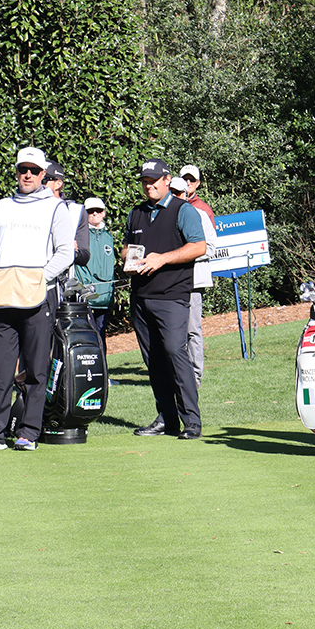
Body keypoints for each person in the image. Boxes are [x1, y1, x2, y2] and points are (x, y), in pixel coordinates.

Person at [0, 147, 76, 452]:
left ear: (43, 174)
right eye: (22, 169)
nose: (27, 175)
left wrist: (40, 278)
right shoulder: (3, 206)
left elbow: (66, 252)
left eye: (33, 170)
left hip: (38, 296)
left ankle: (29, 433)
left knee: (36, 370)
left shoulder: (55, 208)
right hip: (3, 296)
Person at [123, 158, 205, 440]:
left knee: (174, 352)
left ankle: (191, 421)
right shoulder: (136, 213)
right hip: (141, 296)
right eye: (145, 182)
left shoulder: (183, 210)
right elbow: (127, 248)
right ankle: (167, 419)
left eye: (153, 181)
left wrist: (162, 259)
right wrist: (129, 258)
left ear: (167, 180)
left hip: (172, 296)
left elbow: (198, 246)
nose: (149, 186)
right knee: (154, 361)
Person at [172, 177, 217, 387]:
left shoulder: (200, 214)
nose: (175, 196)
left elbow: (211, 247)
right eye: (172, 192)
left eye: (179, 193)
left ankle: (195, 376)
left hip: (193, 281)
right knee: (173, 332)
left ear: (186, 194)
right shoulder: (163, 217)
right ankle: (178, 375)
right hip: (169, 282)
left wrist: (184, 255)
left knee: (192, 330)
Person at [72, 197, 116, 336]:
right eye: (91, 211)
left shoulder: (109, 237)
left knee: (101, 334)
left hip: (105, 296)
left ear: (104, 212)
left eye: (98, 210)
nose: (95, 213)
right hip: (87, 295)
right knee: (89, 335)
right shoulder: (79, 236)